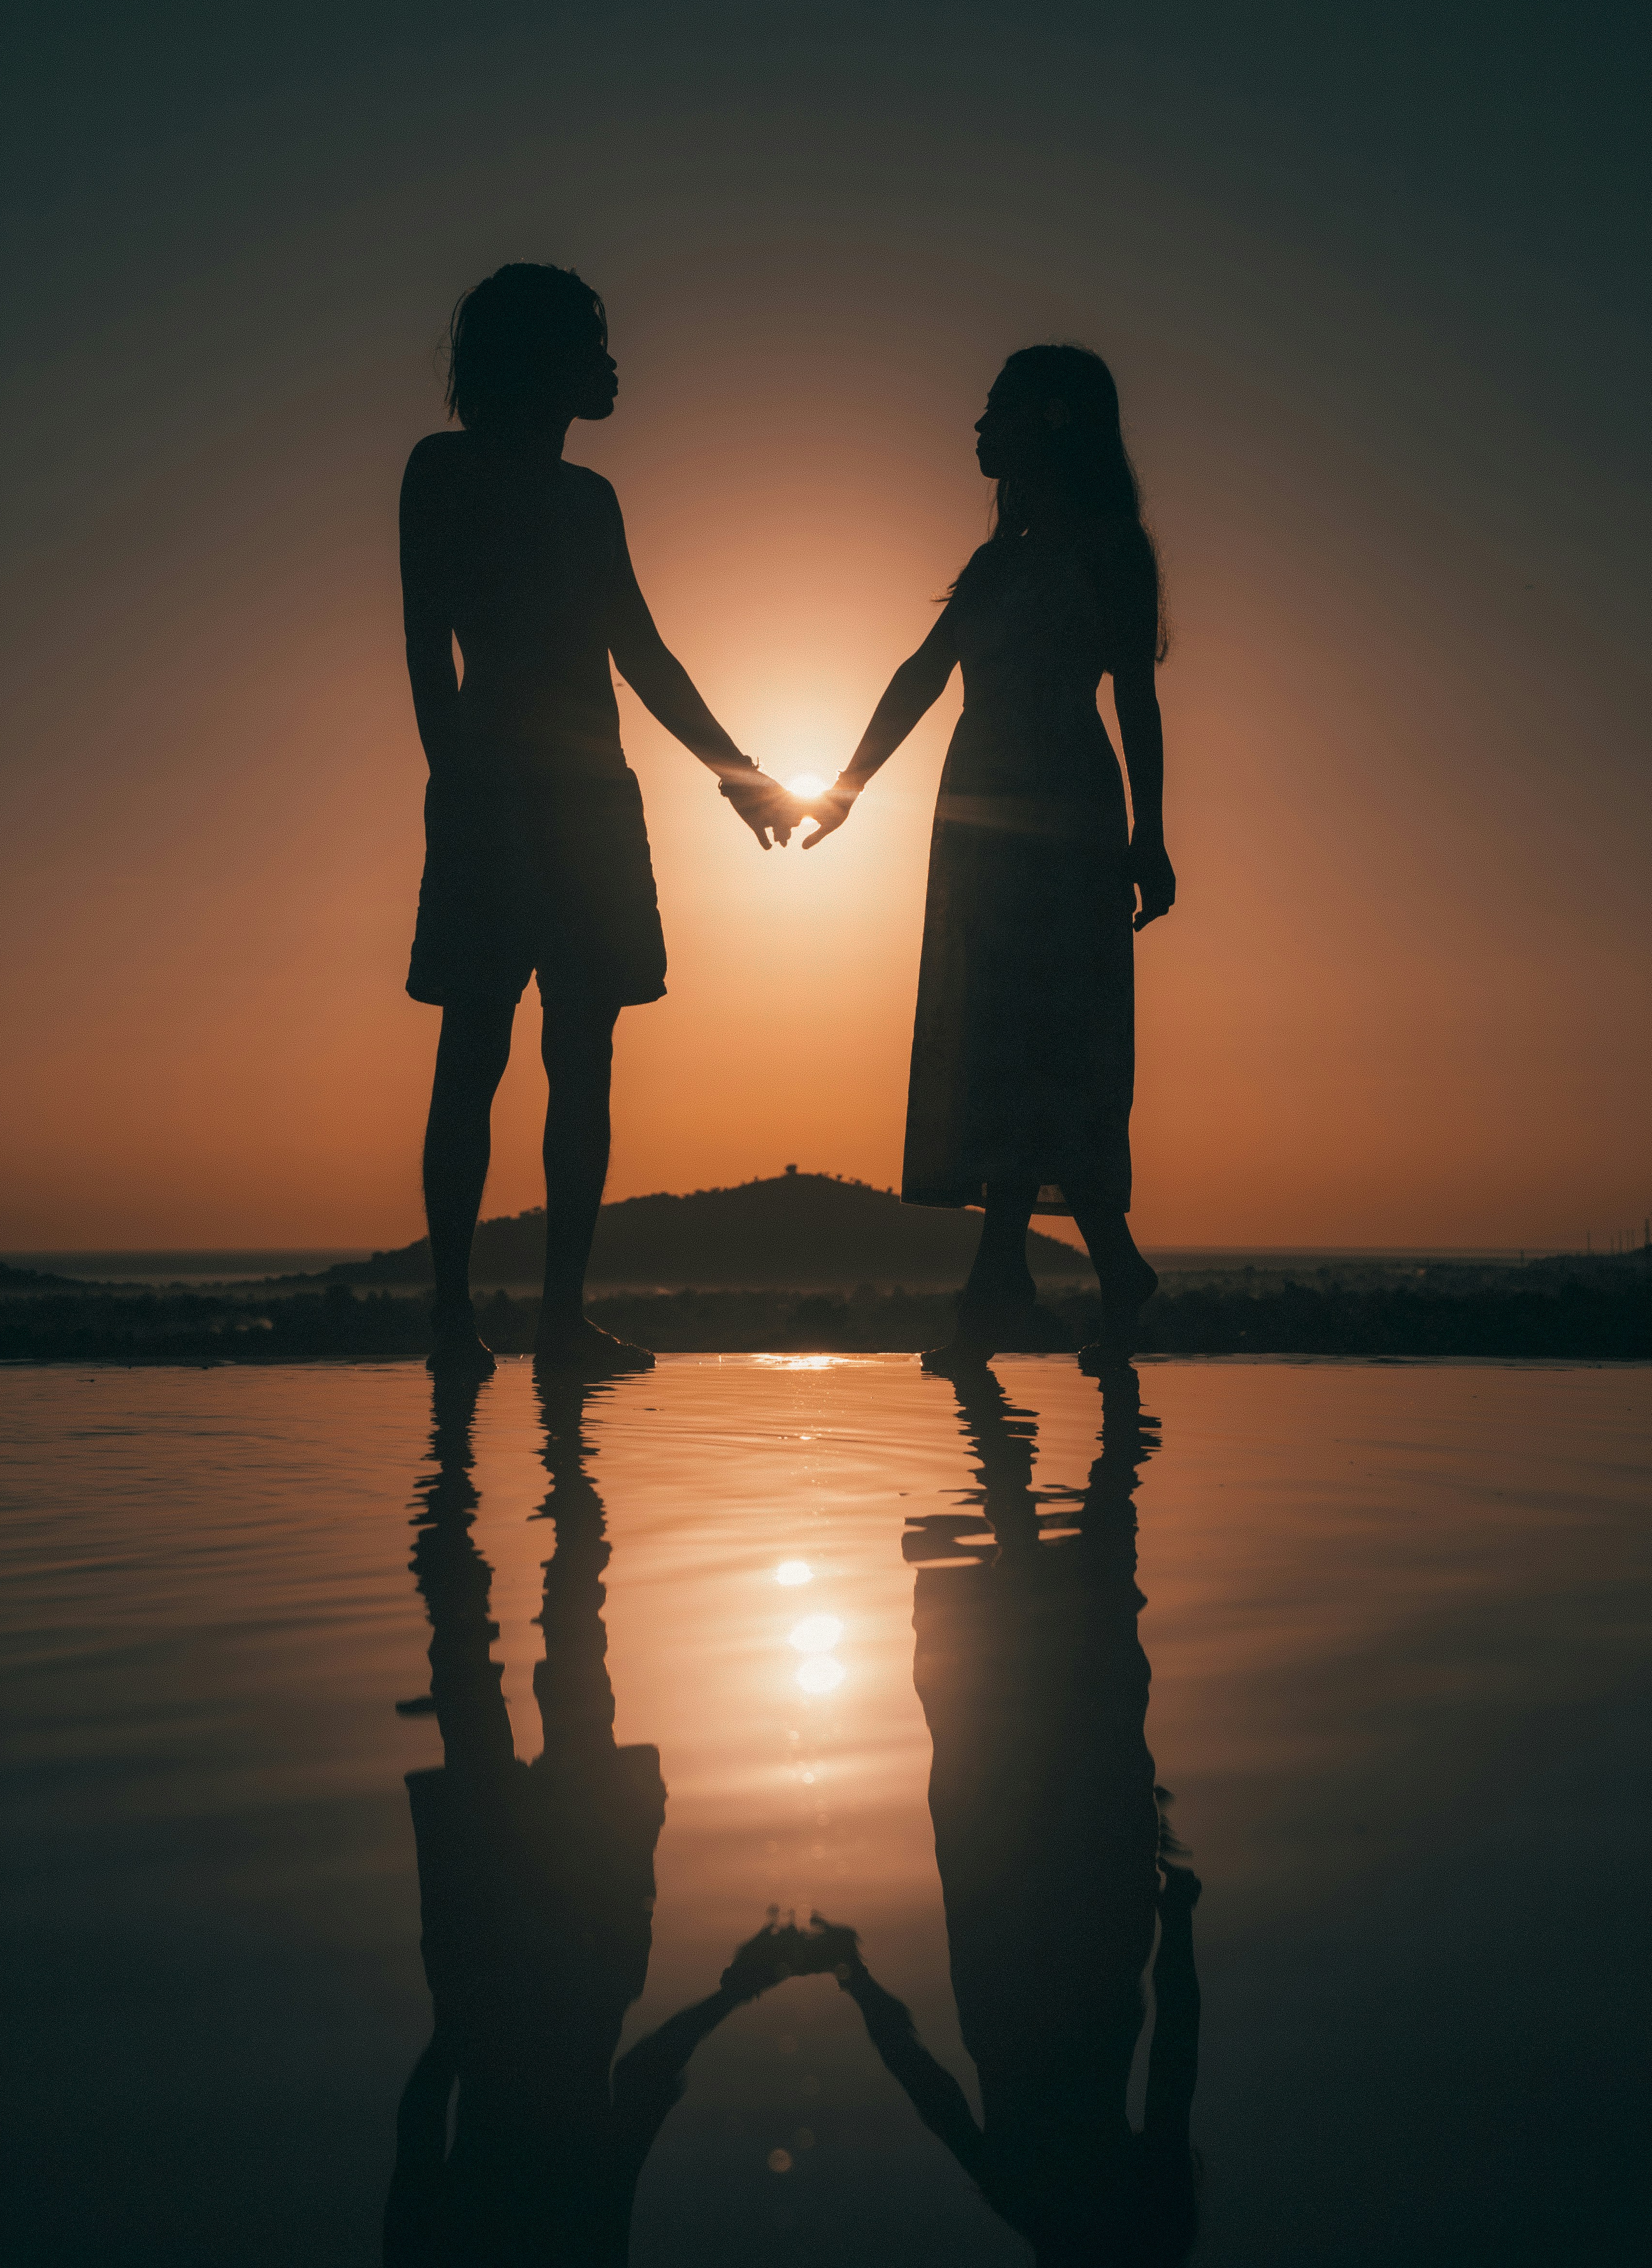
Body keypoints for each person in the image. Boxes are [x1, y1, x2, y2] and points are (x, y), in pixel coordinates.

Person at [401, 263, 795, 1375]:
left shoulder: (591, 500)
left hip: (590, 807)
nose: (614, 363)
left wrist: (736, 774)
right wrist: (453, 780)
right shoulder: (443, 472)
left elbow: (641, 654)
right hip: (493, 797)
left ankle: (557, 1315)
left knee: (581, 1056)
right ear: (539, 361)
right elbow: (427, 643)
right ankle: (450, 1313)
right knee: (475, 1048)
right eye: (593, 344)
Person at [383, 1360, 845, 2267]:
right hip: (511, 1974)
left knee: (557, 1684)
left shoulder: (581, 2245)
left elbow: (629, 2088)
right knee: (495, 1690)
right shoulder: (572, 2246)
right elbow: (423, 2126)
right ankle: (533, 1461)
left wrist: (734, 1991)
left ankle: (515, 1459)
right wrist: (451, 2030)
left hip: (567, 1967)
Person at [801, 344, 1174, 1357]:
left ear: (1050, 424)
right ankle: (1091, 1274)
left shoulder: (1112, 550)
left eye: (994, 413)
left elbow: (1134, 696)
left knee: (1039, 1043)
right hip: (977, 821)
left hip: (1065, 813)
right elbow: (922, 674)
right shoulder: (996, 561)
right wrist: (845, 788)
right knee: (1009, 1046)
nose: (975, 431)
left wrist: (1150, 832)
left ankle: (999, 1296)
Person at [803, 1357, 1203, 2266]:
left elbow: (1176, 2059)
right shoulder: (1042, 2206)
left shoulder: (1108, 2218)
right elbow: (934, 2092)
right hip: (1015, 1950)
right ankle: (1012, 1458)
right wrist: (855, 1978)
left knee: (1065, 1707)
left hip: (1088, 1948)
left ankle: (1023, 1454)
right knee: (1005, 1728)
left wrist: (1178, 1925)